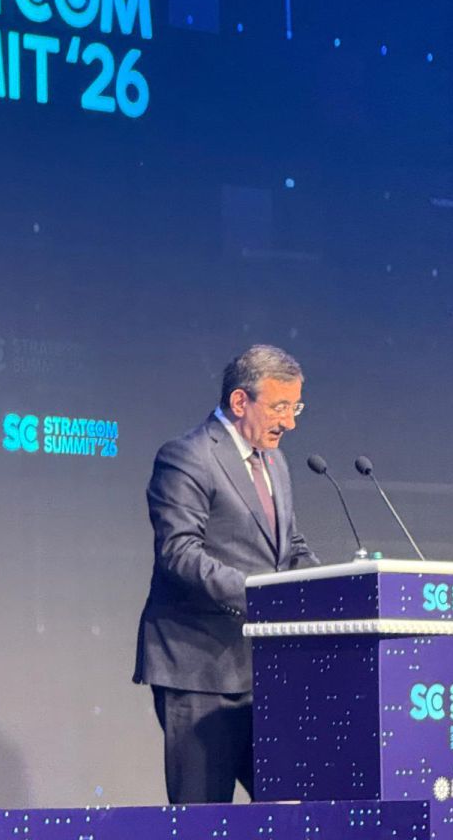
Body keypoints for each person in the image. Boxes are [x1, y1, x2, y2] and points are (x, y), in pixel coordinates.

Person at [133, 344, 319, 805]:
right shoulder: (187, 457)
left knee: (291, 810)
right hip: (199, 671)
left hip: (265, 672)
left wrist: (327, 589)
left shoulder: (274, 461)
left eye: (295, 408)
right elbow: (179, 553)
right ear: (240, 401)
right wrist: (262, 597)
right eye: (279, 407)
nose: (289, 422)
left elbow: (289, 547)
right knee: (205, 818)